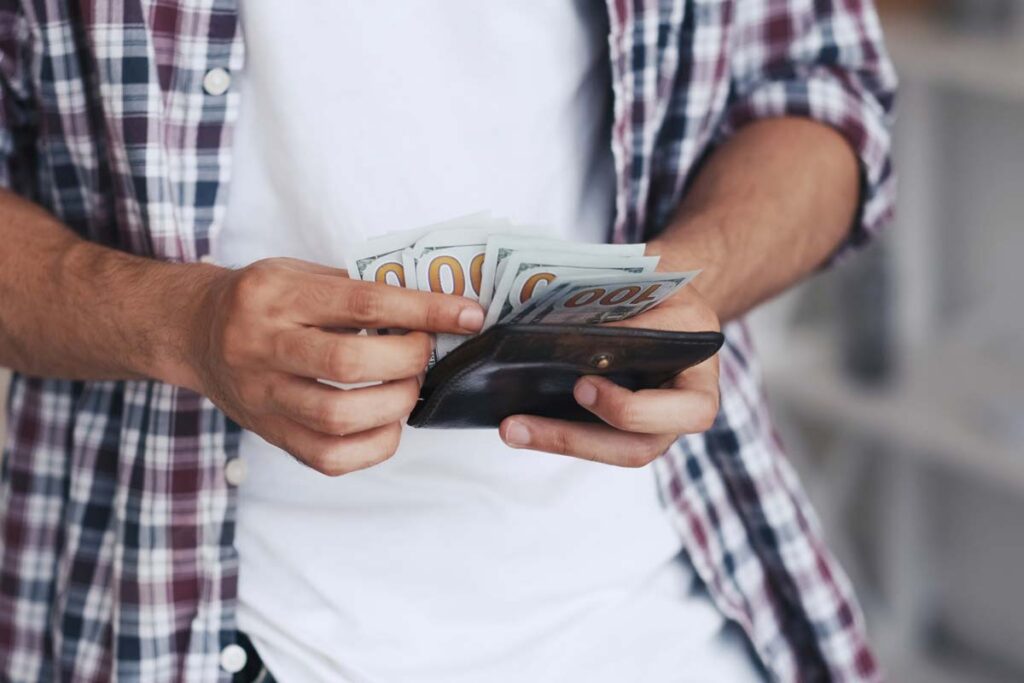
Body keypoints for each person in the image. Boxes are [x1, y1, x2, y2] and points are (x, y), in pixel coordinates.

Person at [0, 1, 896, 681]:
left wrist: (686, 280)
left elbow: (818, 85)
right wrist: (183, 323)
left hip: (669, 599)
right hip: (206, 615)